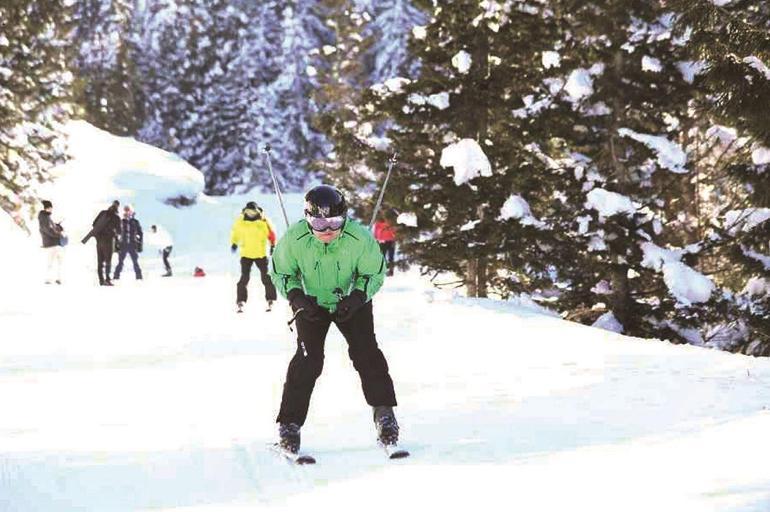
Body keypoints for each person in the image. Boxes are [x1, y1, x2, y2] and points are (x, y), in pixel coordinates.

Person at [269, 185, 399, 455]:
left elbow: (374, 273)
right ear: (307, 219)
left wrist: (359, 296)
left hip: (350, 301)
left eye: (334, 222)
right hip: (311, 304)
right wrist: (295, 296)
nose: (327, 229)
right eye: (318, 222)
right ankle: (289, 424)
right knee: (308, 360)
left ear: (345, 218)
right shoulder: (294, 239)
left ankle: (385, 415)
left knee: (366, 354)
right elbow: (280, 272)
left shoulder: (359, 238)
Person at [230, 201, 277, 312]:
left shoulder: (263, 220)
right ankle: (241, 301)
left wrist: (273, 245)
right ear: (245, 211)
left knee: (266, 277)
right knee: (244, 278)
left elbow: (271, 234)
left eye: (253, 211)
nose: (251, 214)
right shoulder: (240, 220)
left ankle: (271, 299)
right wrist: (234, 243)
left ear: (257, 211)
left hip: (260, 254)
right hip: (246, 254)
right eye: (249, 211)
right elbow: (235, 232)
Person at [82, 200, 121, 286]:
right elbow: (119, 231)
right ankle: (107, 279)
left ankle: (101, 280)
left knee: (100, 262)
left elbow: (94, 224)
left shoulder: (102, 213)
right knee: (108, 261)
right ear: (117, 207)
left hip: (99, 241)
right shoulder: (116, 218)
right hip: (109, 241)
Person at [113, 204, 143, 280]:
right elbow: (116, 234)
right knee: (120, 262)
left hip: (132, 245)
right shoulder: (121, 222)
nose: (127, 212)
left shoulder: (135, 222)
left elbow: (140, 233)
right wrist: (116, 246)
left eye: (128, 210)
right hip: (123, 245)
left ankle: (139, 276)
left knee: (135, 261)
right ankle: (116, 276)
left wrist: (140, 245)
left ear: (131, 212)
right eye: (125, 211)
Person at [38, 200, 64, 284]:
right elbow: (48, 230)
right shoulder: (44, 217)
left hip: (53, 243)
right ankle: (49, 279)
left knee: (57, 261)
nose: (51, 209)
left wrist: (58, 227)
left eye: (51, 207)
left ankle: (57, 278)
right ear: (46, 208)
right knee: (51, 262)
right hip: (50, 243)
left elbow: (52, 227)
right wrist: (59, 234)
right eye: (50, 208)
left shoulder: (46, 217)